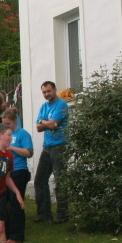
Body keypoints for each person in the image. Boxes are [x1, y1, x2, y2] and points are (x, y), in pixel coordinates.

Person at [34, 81, 68, 224]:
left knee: (60, 181)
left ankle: (62, 215)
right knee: (39, 181)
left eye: (48, 91)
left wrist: (44, 121)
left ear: (54, 90)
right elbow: (38, 128)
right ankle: (44, 214)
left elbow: (54, 125)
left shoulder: (61, 105)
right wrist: (46, 123)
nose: (46, 94)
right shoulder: (44, 106)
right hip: (47, 147)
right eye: (44, 92)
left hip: (59, 146)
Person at [2, 108, 34, 243]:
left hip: (19, 171)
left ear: (15, 121)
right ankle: (6, 233)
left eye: (8, 123)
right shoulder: (4, 135)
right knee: (4, 203)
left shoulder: (23, 134)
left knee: (16, 203)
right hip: (5, 172)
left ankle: (16, 236)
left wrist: (13, 148)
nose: (6, 126)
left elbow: (29, 153)